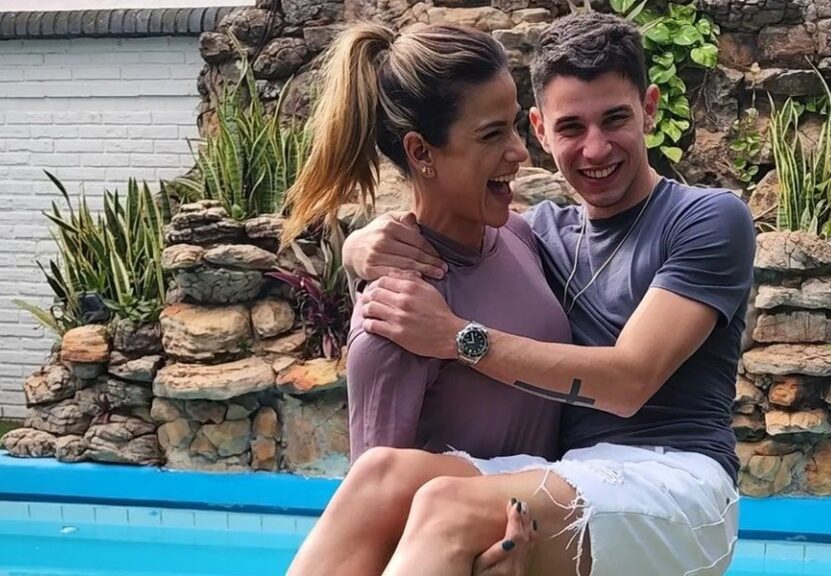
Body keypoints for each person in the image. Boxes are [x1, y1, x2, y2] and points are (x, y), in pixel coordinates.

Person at [289, 10, 756, 576]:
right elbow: (458, 235)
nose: (595, 149)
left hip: (678, 482)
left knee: (446, 506)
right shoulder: (537, 234)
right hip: (564, 472)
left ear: (649, 109)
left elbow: (630, 382)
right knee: (383, 477)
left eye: (615, 119)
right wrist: (358, 247)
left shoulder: (707, 219)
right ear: (540, 130)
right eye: (571, 128)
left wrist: (455, 337)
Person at [279, 21, 573, 576]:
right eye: (491, 135)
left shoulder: (519, 235)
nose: (519, 152)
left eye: (515, 126)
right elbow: (372, 523)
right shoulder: (396, 317)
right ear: (421, 151)